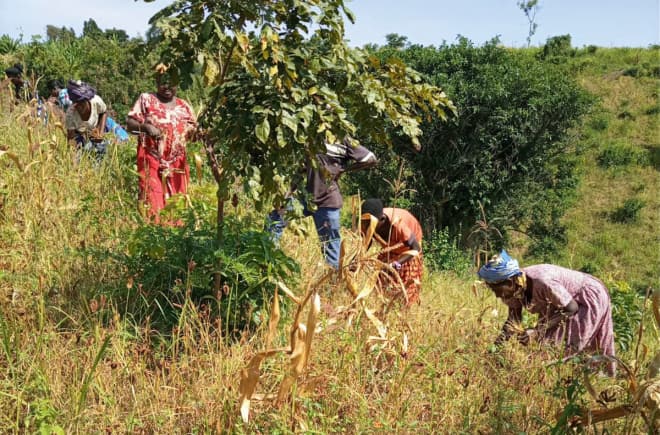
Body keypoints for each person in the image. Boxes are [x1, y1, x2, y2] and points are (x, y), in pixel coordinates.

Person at [478, 249, 616, 376]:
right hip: (561, 305)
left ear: (509, 282)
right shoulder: (514, 289)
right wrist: (493, 351)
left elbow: (571, 308)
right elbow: (512, 321)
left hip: (584, 298)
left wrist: (537, 331)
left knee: (566, 348)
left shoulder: (542, 281)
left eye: (497, 290)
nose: (497, 295)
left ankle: (594, 383)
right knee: (546, 348)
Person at [268, 137, 378, 269]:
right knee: (275, 219)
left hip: (328, 202)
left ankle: (332, 285)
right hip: (306, 199)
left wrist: (344, 170)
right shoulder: (311, 137)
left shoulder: (343, 139)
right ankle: (268, 260)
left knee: (330, 250)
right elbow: (301, 170)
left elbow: (370, 159)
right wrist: (287, 195)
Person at [126, 64, 197, 222]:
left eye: (171, 81)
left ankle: (176, 244)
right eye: (163, 81)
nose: (167, 86)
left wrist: (199, 134)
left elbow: (193, 134)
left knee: (178, 209)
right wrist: (145, 127)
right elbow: (130, 124)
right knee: (153, 207)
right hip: (152, 163)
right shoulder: (146, 100)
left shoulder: (184, 106)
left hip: (177, 165)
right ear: (156, 81)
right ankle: (156, 243)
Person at [360, 198, 424, 306]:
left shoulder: (398, 224)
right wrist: (357, 259)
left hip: (407, 252)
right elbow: (367, 241)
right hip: (390, 250)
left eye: (370, 224)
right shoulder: (368, 221)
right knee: (381, 282)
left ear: (382, 219)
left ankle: (403, 311)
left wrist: (396, 264)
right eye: (365, 223)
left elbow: (415, 249)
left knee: (405, 292)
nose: (368, 227)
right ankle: (383, 306)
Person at [65, 80, 108, 161]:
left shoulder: (96, 101)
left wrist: (100, 132)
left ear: (87, 100)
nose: (79, 107)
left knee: (100, 148)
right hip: (79, 134)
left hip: (95, 130)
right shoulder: (70, 114)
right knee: (78, 157)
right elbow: (71, 138)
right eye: (76, 104)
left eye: (82, 103)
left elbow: (103, 112)